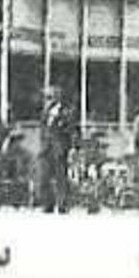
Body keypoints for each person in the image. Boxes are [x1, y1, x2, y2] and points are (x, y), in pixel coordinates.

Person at [35, 86, 77, 214]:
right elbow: (43, 130)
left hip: (59, 150)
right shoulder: (45, 112)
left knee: (61, 178)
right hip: (46, 149)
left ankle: (62, 205)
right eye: (46, 97)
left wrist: (71, 148)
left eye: (49, 97)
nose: (47, 100)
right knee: (44, 177)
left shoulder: (66, 112)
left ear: (57, 98)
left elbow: (70, 131)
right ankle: (47, 204)